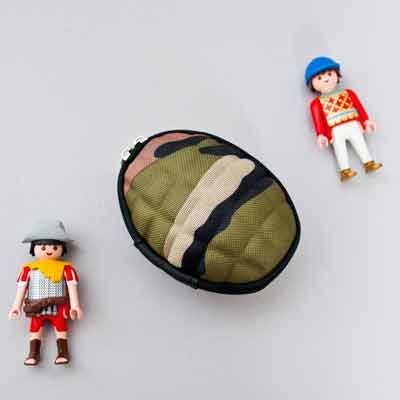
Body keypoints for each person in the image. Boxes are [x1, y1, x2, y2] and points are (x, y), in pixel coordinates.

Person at [8, 220, 83, 366]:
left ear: (62, 248)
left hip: (58, 306)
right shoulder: (28, 269)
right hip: (36, 306)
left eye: (54, 247)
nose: (49, 251)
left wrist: (75, 306)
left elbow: (71, 286)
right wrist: (16, 305)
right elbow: (22, 287)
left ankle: (63, 352)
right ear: (33, 248)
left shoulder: (66, 268)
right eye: (43, 247)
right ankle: (33, 353)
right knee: (35, 329)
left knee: (60, 328)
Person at [305, 56, 383, 182]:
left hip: (353, 125)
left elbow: (359, 108)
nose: (326, 79)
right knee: (339, 148)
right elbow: (317, 120)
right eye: (319, 78)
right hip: (335, 131)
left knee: (360, 142)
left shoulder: (349, 93)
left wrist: (366, 121)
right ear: (312, 85)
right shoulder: (316, 104)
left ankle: (369, 163)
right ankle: (345, 171)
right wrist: (321, 135)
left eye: (329, 74)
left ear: (337, 75)